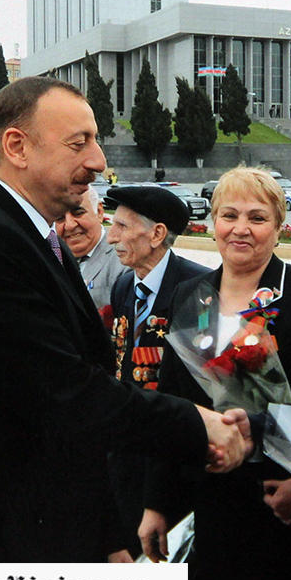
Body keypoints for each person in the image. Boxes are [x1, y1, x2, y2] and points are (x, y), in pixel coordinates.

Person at [0, 76, 250, 580]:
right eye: (79, 143)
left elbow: (60, 416)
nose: (97, 160)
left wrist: (108, 537)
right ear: (17, 147)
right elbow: (66, 395)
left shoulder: (25, 234)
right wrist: (198, 424)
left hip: (37, 548)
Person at [141, 167, 291, 580]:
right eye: (228, 215)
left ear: (279, 225)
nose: (241, 228)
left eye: (257, 217)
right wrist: (157, 502)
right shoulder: (190, 295)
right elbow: (170, 405)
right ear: (212, 222)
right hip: (210, 500)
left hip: (283, 500)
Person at [105, 184, 207, 551]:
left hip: (171, 458)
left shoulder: (198, 288)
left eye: (121, 227)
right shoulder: (123, 285)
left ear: (157, 234)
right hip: (128, 452)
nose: (110, 236)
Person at [55, 184, 127, 309]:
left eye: (78, 213)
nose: (69, 225)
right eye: (60, 218)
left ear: (99, 212)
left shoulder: (125, 260)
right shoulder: (49, 258)